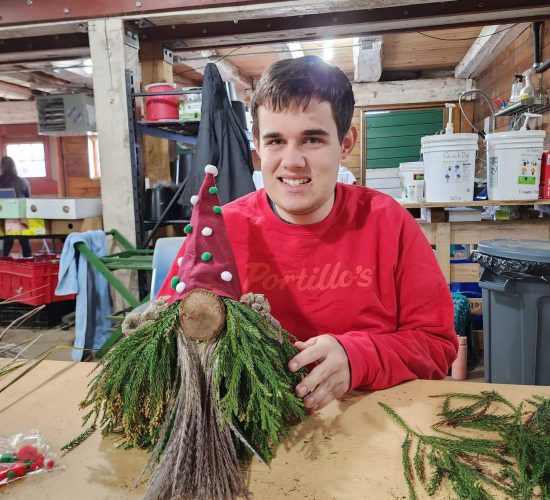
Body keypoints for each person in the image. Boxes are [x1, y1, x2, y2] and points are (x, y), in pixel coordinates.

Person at [159, 55, 457, 412]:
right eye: (275, 141)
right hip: (247, 423)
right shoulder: (220, 228)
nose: (292, 161)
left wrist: (359, 357)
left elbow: (437, 345)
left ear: (346, 143)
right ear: (256, 144)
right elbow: (162, 335)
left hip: (367, 420)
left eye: (312, 139)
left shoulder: (387, 221)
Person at [0, 156, 32, 258]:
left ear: (2, 167)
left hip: (4, 216)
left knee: (8, 239)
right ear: (14, 167)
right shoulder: (22, 182)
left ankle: (3, 260)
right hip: (20, 215)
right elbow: (28, 199)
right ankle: (28, 258)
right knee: (24, 241)